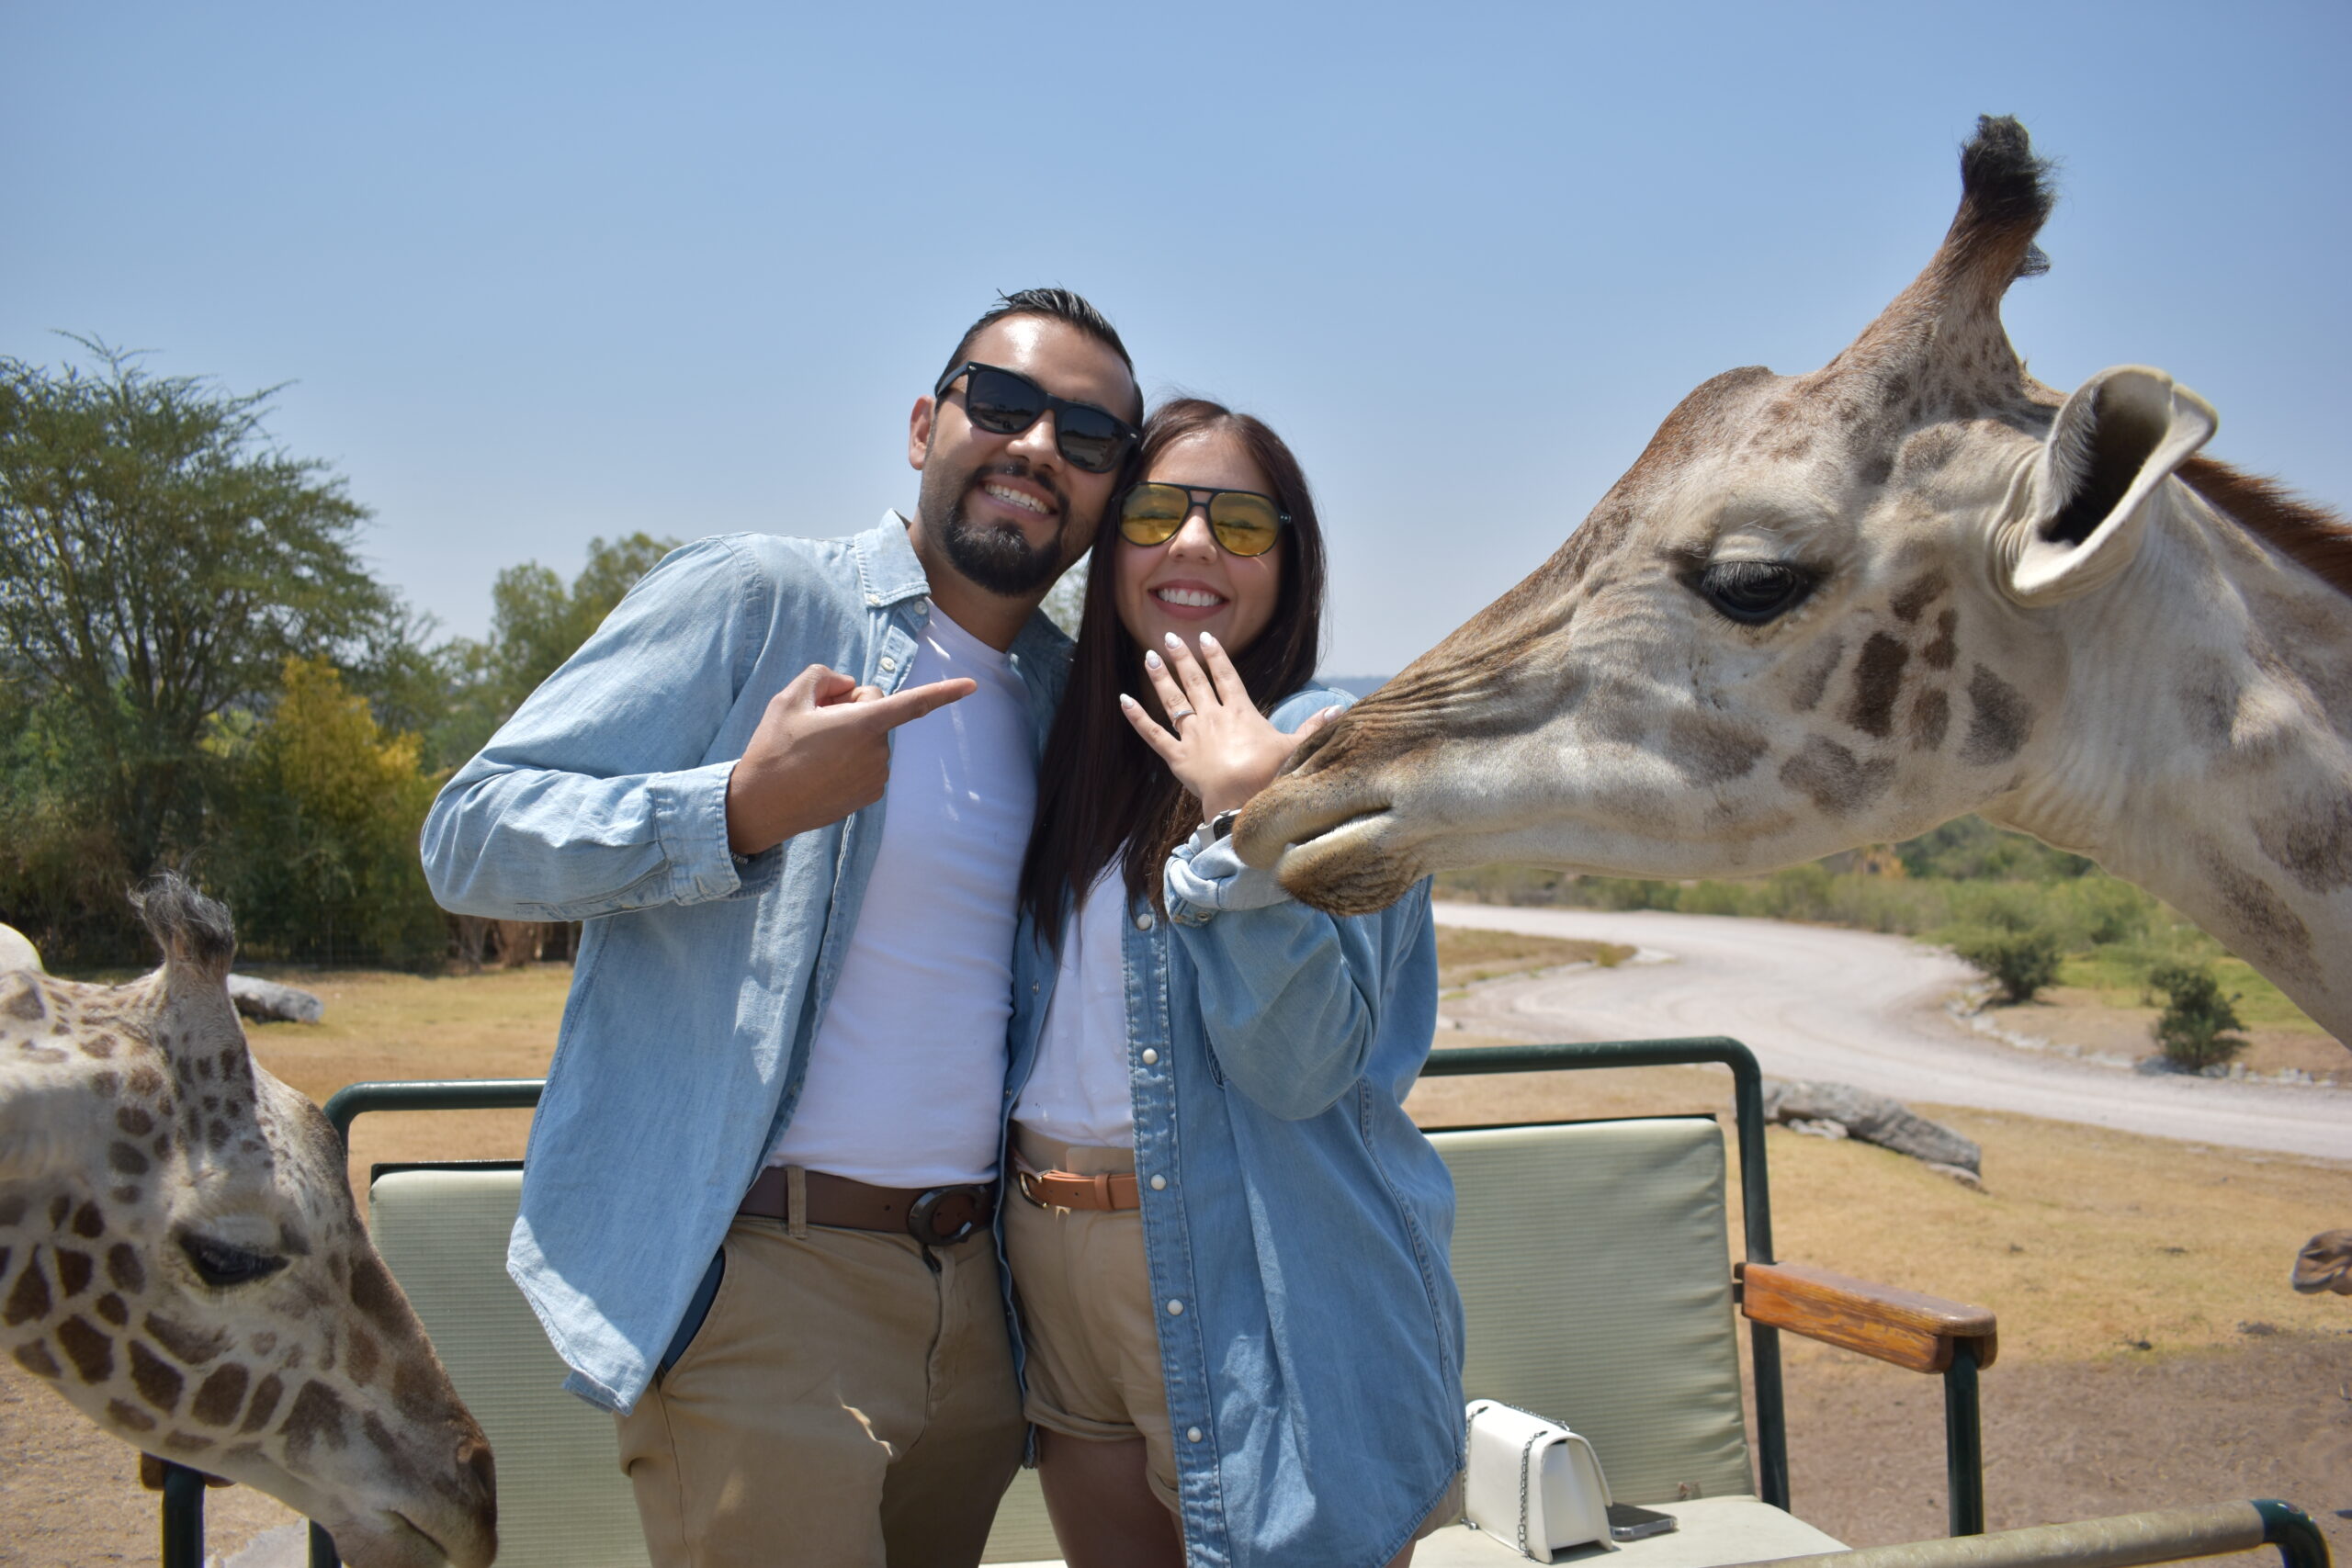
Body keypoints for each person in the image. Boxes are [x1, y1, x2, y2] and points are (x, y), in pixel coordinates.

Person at [419, 288, 1142, 1568]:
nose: (1039, 448)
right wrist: (737, 808)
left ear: (1106, 497)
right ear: (926, 425)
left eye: (1089, 438)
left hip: (977, 1308)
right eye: (1007, 404)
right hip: (765, 1282)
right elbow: (470, 832)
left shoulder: (1055, 701)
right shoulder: (761, 598)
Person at [1003, 399, 1465, 1568]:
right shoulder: (1069, 746)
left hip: (1258, 1276)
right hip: (1048, 1267)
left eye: (1242, 524)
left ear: (1289, 559)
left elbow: (1305, 1068)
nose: (1195, 546)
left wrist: (1247, 815)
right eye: (1156, 513)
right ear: (1109, 547)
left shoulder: (1336, 749)